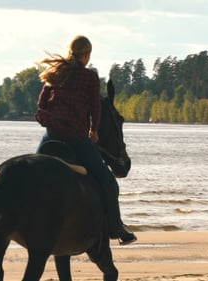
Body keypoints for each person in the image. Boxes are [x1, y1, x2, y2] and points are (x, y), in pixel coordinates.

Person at [35, 35, 136, 245]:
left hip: (51, 136)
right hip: (75, 138)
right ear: (87, 54)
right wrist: (93, 131)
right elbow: (95, 108)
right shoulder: (89, 77)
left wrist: (48, 121)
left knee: (32, 174)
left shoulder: (56, 73)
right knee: (108, 182)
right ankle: (116, 229)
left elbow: (41, 105)